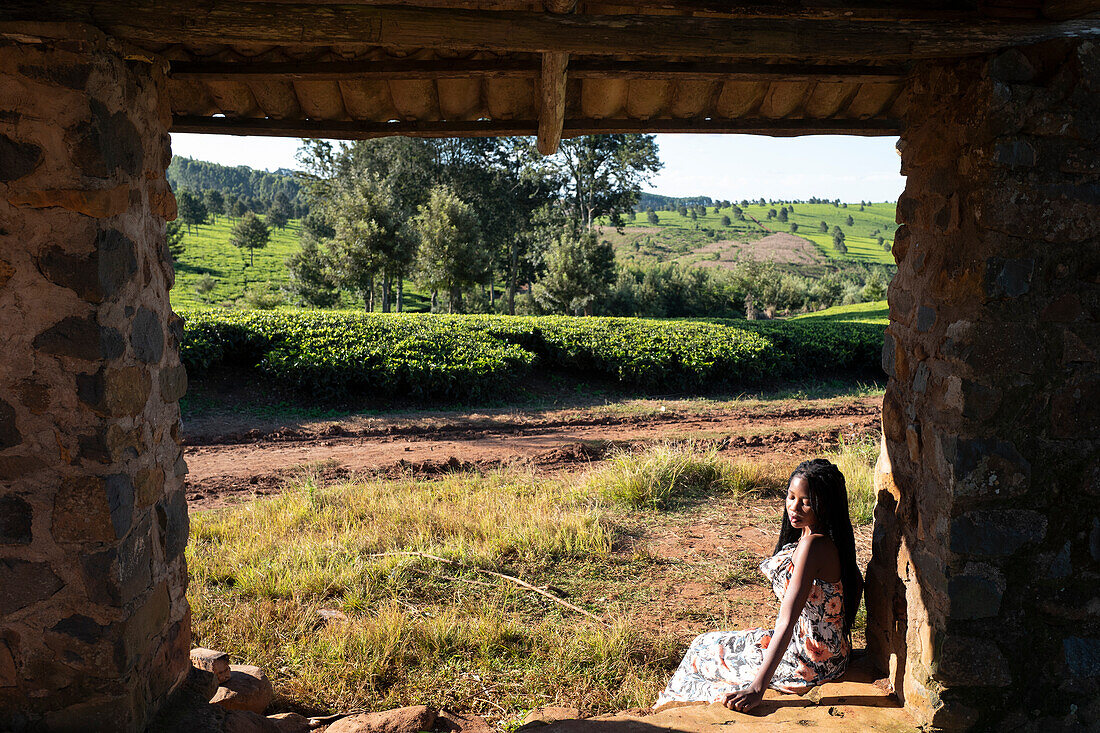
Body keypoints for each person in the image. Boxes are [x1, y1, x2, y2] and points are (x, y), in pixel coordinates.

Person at [655, 458, 864, 713]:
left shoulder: (814, 546)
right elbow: (853, 586)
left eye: (805, 502)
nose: (794, 507)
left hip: (809, 661)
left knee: (706, 653)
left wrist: (757, 688)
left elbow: (786, 621)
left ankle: (673, 709)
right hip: (829, 653)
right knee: (707, 644)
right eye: (790, 497)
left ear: (825, 505)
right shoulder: (818, 537)